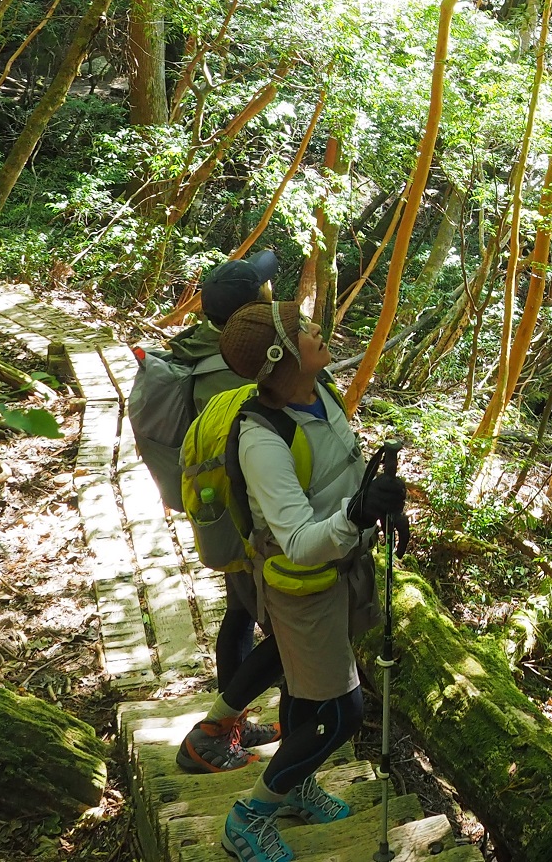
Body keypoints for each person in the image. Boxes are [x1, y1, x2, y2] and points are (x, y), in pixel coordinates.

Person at [215, 300, 406, 862]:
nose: (316, 329)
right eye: (301, 330)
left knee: (307, 691)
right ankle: (247, 819)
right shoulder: (262, 440)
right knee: (340, 711)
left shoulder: (319, 392)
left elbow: (339, 470)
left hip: (337, 572)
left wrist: (381, 504)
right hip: (301, 584)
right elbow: (297, 541)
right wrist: (357, 512)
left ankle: (295, 786)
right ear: (280, 357)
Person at [169, 252, 288, 775]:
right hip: (245, 520)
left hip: (224, 509)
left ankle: (232, 723)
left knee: (242, 615)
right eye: (263, 289)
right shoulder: (230, 369)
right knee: (276, 628)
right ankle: (215, 732)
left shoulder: (199, 350)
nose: (270, 291)